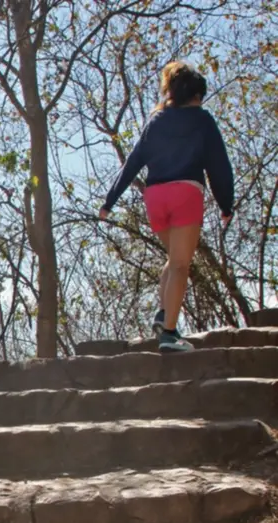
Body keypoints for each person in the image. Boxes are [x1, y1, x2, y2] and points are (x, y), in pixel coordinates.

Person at [99, 60, 235, 353]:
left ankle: (163, 314)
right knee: (180, 265)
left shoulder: (156, 120)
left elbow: (133, 161)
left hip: (155, 197)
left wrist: (109, 201)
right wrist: (226, 204)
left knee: (174, 258)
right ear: (196, 95)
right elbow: (218, 166)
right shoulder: (202, 120)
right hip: (186, 193)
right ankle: (170, 335)